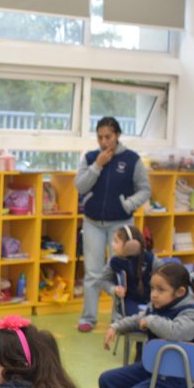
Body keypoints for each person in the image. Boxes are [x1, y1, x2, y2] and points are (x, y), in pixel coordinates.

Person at [75, 117, 151, 333]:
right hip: (92, 223)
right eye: (100, 137)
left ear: (117, 135)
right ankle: (88, 317)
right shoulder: (90, 157)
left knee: (120, 271)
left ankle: (119, 318)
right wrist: (97, 166)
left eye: (108, 136)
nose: (104, 141)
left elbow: (145, 189)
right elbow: (80, 186)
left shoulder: (131, 160)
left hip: (120, 223)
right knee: (93, 272)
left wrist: (128, 205)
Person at [108, 223, 153, 319]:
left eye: (116, 242)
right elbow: (102, 281)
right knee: (139, 318)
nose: (112, 245)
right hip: (128, 301)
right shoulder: (115, 261)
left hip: (150, 301)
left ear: (130, 244)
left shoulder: (149, 258)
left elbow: (166, 273)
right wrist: (114, 289)